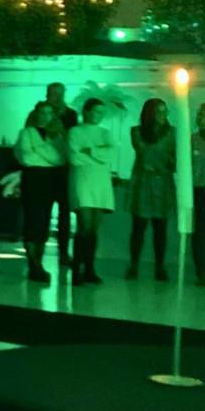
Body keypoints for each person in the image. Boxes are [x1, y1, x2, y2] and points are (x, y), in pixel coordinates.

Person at [15, 102, 68, 284]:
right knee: (32, 223)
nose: (45, 115)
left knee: (44, 223)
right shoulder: (27, 133)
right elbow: (27, 158)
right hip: (33, 180)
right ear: (36, 113)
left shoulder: (58, 135)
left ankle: (38, 263)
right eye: (42, 112)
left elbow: (60, 159)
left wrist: (39, 150)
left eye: (49, 112)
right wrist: (47, 155)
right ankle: (34, 265)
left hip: (51, 181)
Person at [126, 98, 175, 281]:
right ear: (149, 114)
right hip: (143, 184)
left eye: (165, 111)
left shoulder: (172, 133)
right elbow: (144, 153)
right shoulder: (137, 132)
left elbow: (175, 159)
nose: (163, 115)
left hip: (163, 184)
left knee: (160, 229)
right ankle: (133, 265)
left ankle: (160, 267)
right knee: (138, 227)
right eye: (159, 112)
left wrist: (172, 163)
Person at [68, 98, 114, 285]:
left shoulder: (106, 133)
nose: (99, 116)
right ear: (86, 111)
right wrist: (98, 154)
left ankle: (89, 268)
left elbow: (110, 155)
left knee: (94, 228)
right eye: (95, 111)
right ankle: (76, 269)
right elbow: (74, 156)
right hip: (83, 180)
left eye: (102, 112)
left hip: (101, 181)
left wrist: (90, 151)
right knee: (84, 226)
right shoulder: (75, 131)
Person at [45, 82, 76, 262]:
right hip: (45, 170)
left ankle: (63, 252)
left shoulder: (70, 115)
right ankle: (38, 250)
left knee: (65, 212)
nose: (57, 97)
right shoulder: (40, 113)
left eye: (60, 94)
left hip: (63, 169)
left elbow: (73, 139)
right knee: (43, 210)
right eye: (53, 94)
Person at [191, 103, 205, 286]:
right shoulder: (192, 140)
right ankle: (202, 272)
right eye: (199, 114)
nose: (200, 118)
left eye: (204, 114)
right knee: (200, 233)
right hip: (199, 191)